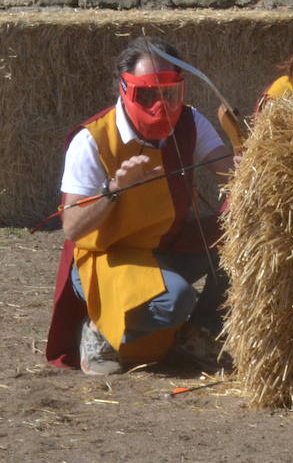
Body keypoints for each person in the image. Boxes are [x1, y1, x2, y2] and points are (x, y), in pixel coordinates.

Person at [45, 37, 234, 375]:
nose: (159, 105)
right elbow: (72, 228)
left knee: (245, 243)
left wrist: (258, 153)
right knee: (176, 300)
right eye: (146, 94)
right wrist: (114, 190)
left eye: (169, 94)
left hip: (166, 243)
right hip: (108, 255)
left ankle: (196, 334)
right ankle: (100, 332)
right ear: (124, 88)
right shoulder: (92, 140)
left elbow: (232, 172)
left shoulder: (190, 123)